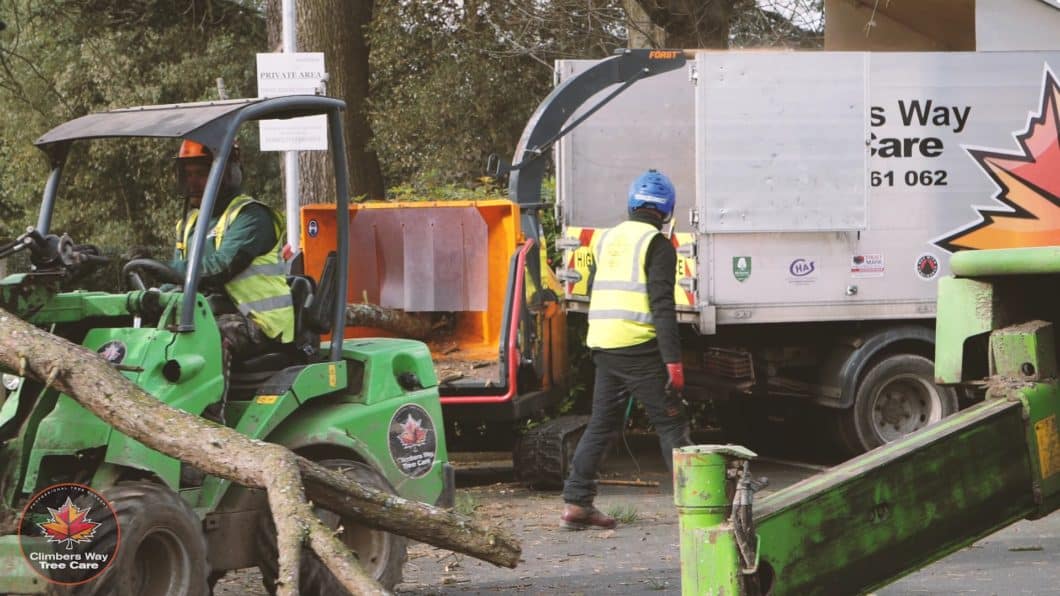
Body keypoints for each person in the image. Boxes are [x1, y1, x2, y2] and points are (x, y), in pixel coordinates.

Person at [560, 169, 691, 530]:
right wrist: (673, 362)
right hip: (638, 345)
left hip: (604, 343)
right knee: (671, 424)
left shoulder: (608, 239)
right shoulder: (657, 244)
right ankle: (698, 507)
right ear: (666, 210)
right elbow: (662, 305)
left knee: (602, 423)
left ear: (632, 203)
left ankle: (577, 503)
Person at [170, 139, 294, 367]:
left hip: (259, 321)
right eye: (187, 174)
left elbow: (221, 267)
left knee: (206, 339)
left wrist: (167, 271)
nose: (193, 182)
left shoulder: (252, 217)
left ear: (228, 174)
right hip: (213, 311)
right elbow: (176, 280)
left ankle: (213, 403)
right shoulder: (189, 224)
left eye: (201, 173)